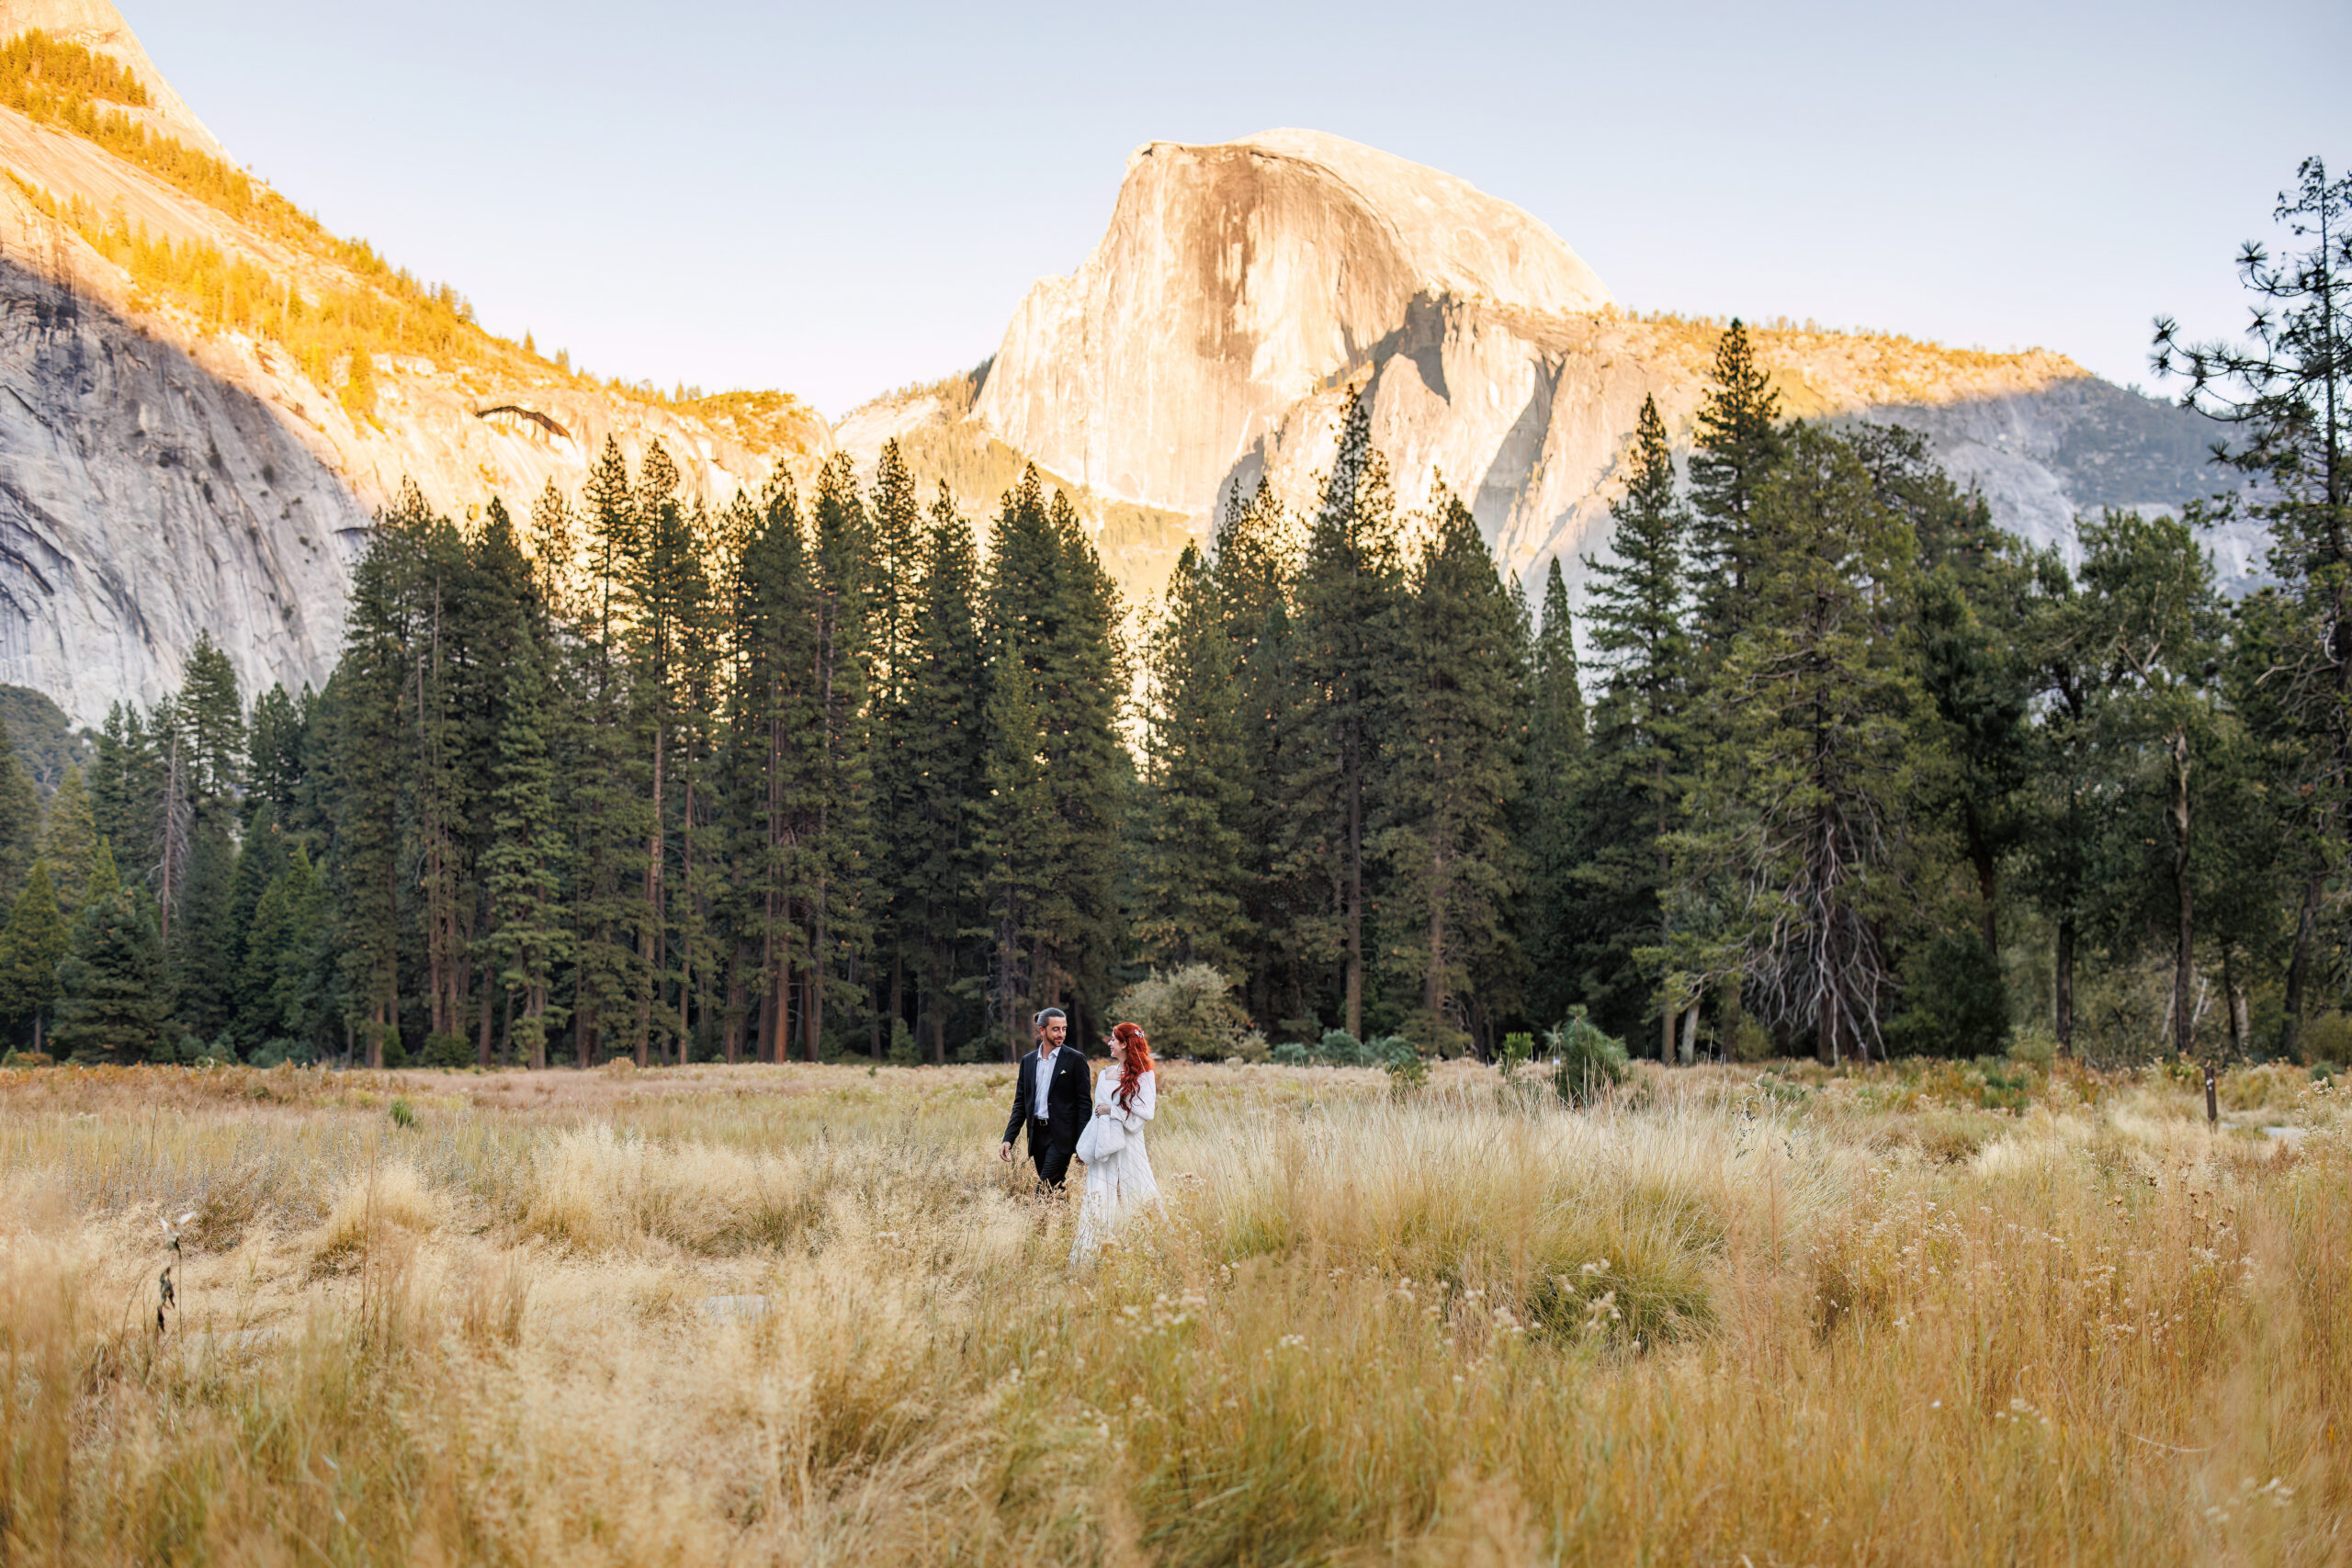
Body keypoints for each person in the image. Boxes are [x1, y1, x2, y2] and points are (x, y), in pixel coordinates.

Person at [1071, 1021, 1159, 1263]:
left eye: (1113, 1039)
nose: (1110, 1043)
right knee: (1099, 1193)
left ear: (1124, 1044)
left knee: (1138, 1189)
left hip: (1131, 1143)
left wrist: (1114, 1111)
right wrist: (1087, 1146)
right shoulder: (1104, 1074)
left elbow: (1145, 1112)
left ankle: (1143, 1253)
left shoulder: (1145, 1075)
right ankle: (1093, 1256)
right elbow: (1096, 1113)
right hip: (1105, 1142)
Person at [999, 1007, 1091, 1191]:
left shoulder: (1075, 1059)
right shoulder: (1028, 1061)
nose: (1061, 1034)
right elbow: (1020, 1104)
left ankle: (1037, 1218)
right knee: (1054, 1189)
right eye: (1056, 1029)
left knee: (1044, 1188)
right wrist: (1009, 1138)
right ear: (1042, 1030)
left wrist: (1083, 1141)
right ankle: (1062, 1219)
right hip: (1037, 1135)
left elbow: (1084, 1105)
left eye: (1064, 1029)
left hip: (1062, 1137)